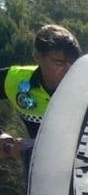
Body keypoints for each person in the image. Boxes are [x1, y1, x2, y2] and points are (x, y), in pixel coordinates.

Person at [1, 24, 81, 164]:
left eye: (74, 63)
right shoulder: (16, 80)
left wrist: (33, 146)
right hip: (39, 171)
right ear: (37, 56)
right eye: (59, 62)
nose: (69, 70)